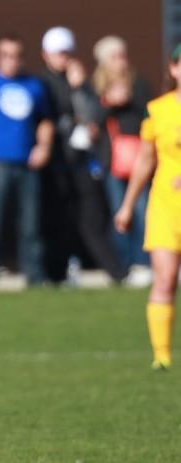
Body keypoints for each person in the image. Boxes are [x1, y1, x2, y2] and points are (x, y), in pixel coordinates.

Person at [38, 26, 126, 286]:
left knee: (93, 216)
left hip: (81, 162)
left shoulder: (81, 83)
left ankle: (116, 271)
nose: (63, 58)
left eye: (66, 52)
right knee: (58, 219)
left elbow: (94, 118)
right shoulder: (42, 83)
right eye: (58, 53)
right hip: (56, 162)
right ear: (46, 55)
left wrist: (79, 88)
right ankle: (55, 274)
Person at [113, 45, 181, 371]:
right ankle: (162, 356)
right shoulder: (157, 110)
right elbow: (144, 161)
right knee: (165, 278)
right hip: (166, 206)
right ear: (174, 69)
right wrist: (127, 205)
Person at [0, 35, 54, 288]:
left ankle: (35, 277)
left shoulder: (34, 86)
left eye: (16, 55)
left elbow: (45, 120)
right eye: (6, 55)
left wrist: (43, 147)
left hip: (27, 163)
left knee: (31, 224)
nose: (11, 61)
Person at [94, 35, 152, 284]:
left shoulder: (138, 84)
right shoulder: (97, 87)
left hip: (139, 159)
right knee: (119, 213)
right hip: (113, 162)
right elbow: (93, 121)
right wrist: (110, 103)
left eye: (123, 55)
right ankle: (123, 266)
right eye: (116, 56)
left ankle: (144, 263)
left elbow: (150, 115)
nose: (122, 61)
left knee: (141, 211)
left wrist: (129, 99)